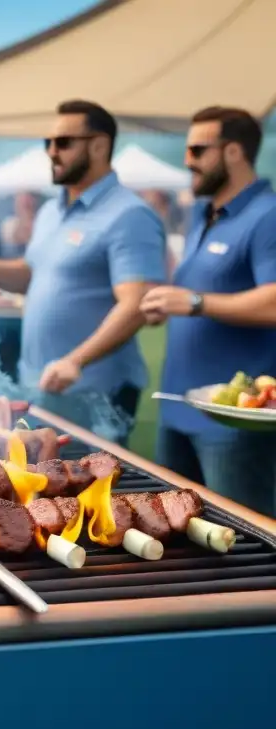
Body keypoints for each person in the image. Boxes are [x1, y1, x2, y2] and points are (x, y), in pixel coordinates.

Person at [0, 100, 166, 443]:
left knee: (85, 493)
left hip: (93, 391)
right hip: (42, 386)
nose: (52, 152)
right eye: (47, 143)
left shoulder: (129, 215)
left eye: (64, 143)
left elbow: (137, 302)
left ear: (99, 145)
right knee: (40, 490)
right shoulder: (51, 210)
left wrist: (76, 361)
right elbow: (35, 275)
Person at [142, 107, 276, 516]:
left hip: (233, 424)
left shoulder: (268, 215)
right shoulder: (203, 212)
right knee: (177, 538)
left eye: (198, 149)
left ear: (234, 152)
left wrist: (196, 303)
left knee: (244, 542)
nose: (187, 161)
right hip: (177, 409)